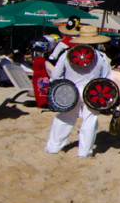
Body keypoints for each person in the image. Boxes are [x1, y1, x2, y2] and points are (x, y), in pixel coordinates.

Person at [45, 26, 112, 158]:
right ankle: (84, 151)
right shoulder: (102, 57)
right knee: (90, 120)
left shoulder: (66, 54)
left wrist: (61, 87)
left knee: (65, 118)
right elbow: (106, 78)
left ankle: (53, 147)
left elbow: (55, 75)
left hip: (70, 89)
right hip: (93, 91)